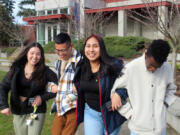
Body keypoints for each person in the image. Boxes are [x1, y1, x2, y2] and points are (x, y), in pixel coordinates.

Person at [111, 39, 178, 135]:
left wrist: (165, 104)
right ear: (146, 54)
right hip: (138, 130)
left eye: (157, 67)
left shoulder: (166, 68)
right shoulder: (131, 68)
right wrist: (130, 114)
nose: (153, 69)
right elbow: (114, 93)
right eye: (151, 65)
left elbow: (171, 89)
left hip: (160, 129)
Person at [73, 34, 128, 135]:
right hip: (91, 112)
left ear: (101, 48)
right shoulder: (81, 66)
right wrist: (76, 86)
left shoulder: (113, 65)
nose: (91, 50)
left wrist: (119, 94)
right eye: (88, 46)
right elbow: (78, 83)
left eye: (95, 46)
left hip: (111, 112)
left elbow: (127, 83)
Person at [0, 42, 58, 135]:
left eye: (38, 54)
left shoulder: (45, 71)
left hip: (36, 110)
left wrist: (42, 97)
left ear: (41, 56)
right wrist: (3, 106)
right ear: (27, 53)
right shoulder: (16, 69)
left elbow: (60, 86)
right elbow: (3, 86)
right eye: (32, 53)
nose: (35, 56)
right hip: (18, 109)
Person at [50, 33, 81, 135]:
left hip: (73, 106)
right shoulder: (58, 62)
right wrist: (51, 86)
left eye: (63, 50)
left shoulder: (80, 62)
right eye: (57, 50)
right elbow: (54, 81)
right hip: (59, 106)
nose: (60, 53)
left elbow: (84, 85)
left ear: (71, 46)